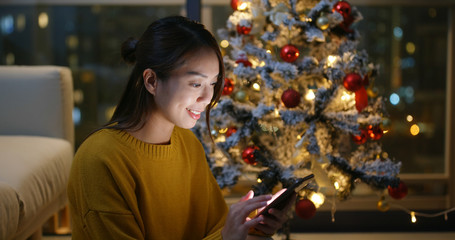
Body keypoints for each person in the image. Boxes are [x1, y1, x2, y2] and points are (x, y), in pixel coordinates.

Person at [67, 16, 295, 240]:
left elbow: (214, 230)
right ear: (151, 81)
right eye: (196, 84)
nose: (207, 98)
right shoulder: (100, 160)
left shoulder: (187, 144)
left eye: (213, 84)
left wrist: (250, 228)